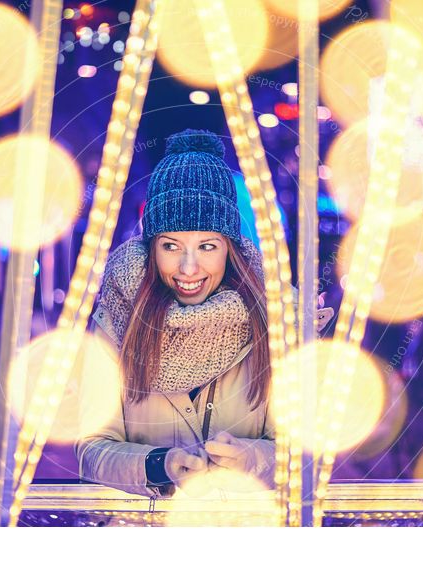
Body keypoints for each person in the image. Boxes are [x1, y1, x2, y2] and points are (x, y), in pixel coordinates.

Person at [75, 129, 277, 498]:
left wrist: (252, 460)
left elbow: (305, 452)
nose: (188, 268)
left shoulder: (274, 322)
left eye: (206, 246)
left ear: (229, 248)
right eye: (171, 245)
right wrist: (158, 465)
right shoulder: (115, 321)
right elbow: (90, 449)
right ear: (151, 249)